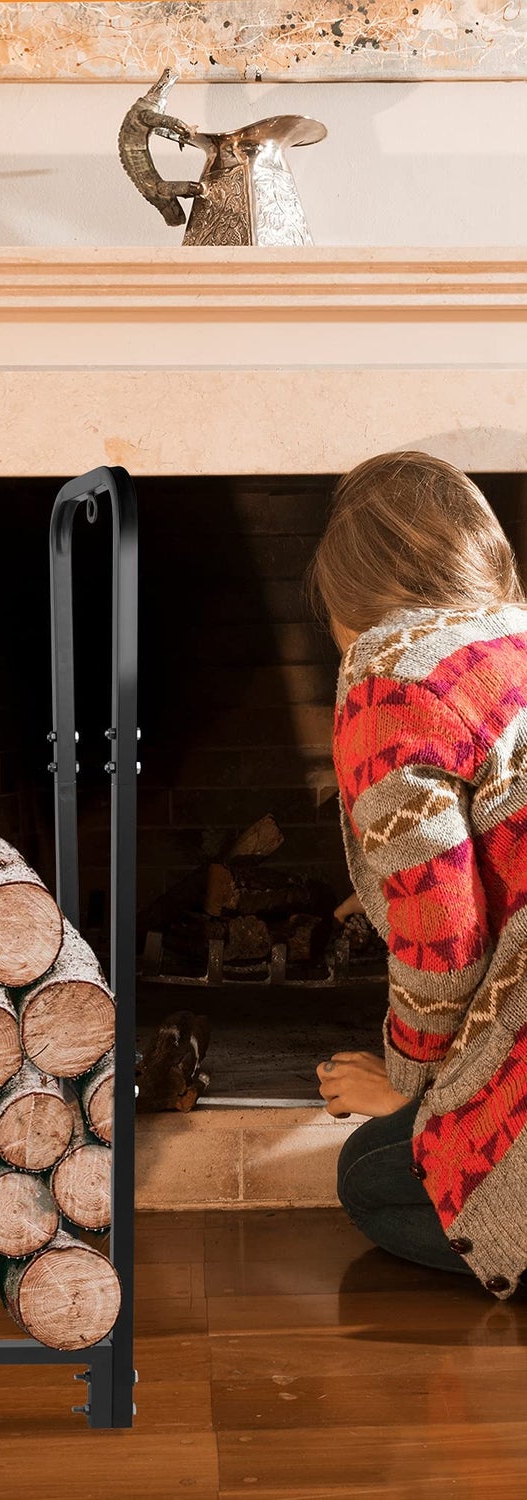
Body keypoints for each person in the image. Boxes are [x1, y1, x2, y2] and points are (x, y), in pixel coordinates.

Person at [311, 451, 527, 1296]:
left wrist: (405, 1087)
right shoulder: (515, 639)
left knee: (369, 1176)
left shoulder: (389, 677)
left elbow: (446, 947)